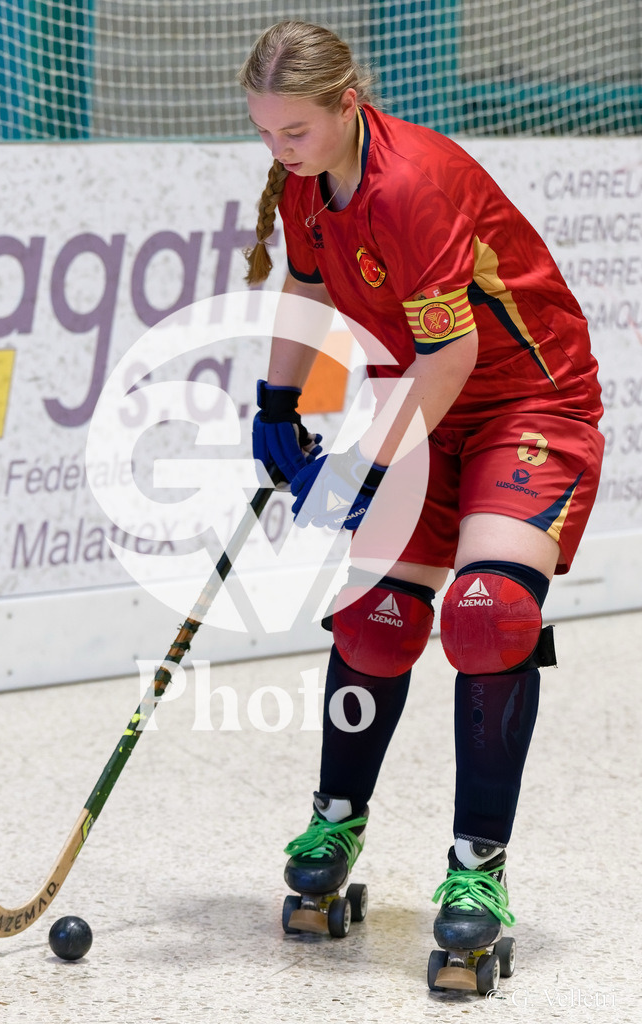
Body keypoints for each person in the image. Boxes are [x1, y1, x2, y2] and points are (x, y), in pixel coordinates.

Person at [238, 19, 604, 986]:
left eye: (294, 135)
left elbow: (458, 351)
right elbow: (309, 290)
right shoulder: (309, 185)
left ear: (347, 107)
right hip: (422, 402)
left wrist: (359, 463)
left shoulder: (414, 184)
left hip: (528, 399)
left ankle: (477, 874)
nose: (279, 153)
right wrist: (278, 403)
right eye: (266, 133)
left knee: (487, 618)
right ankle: (335, 825)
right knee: (377, 618)